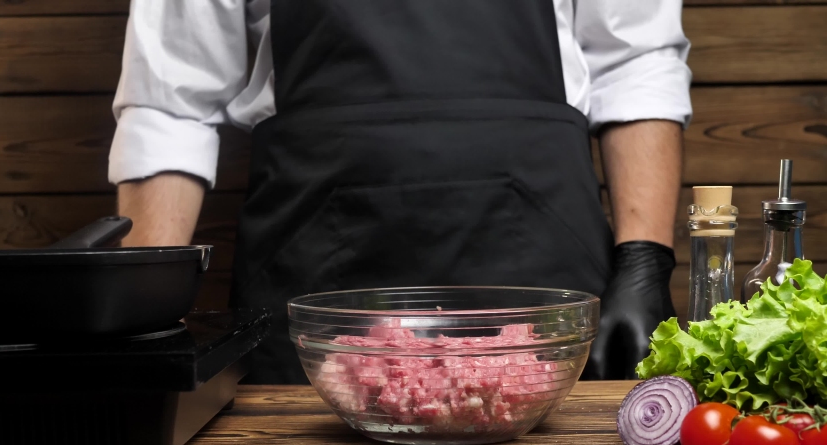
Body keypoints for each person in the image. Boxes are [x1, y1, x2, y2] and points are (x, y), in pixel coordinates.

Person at [110, 0, 692, 383]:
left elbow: (632, 61)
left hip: (541, 265)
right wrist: (142, 318)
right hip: (314, 273)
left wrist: (644, 260)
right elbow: (171, 102)